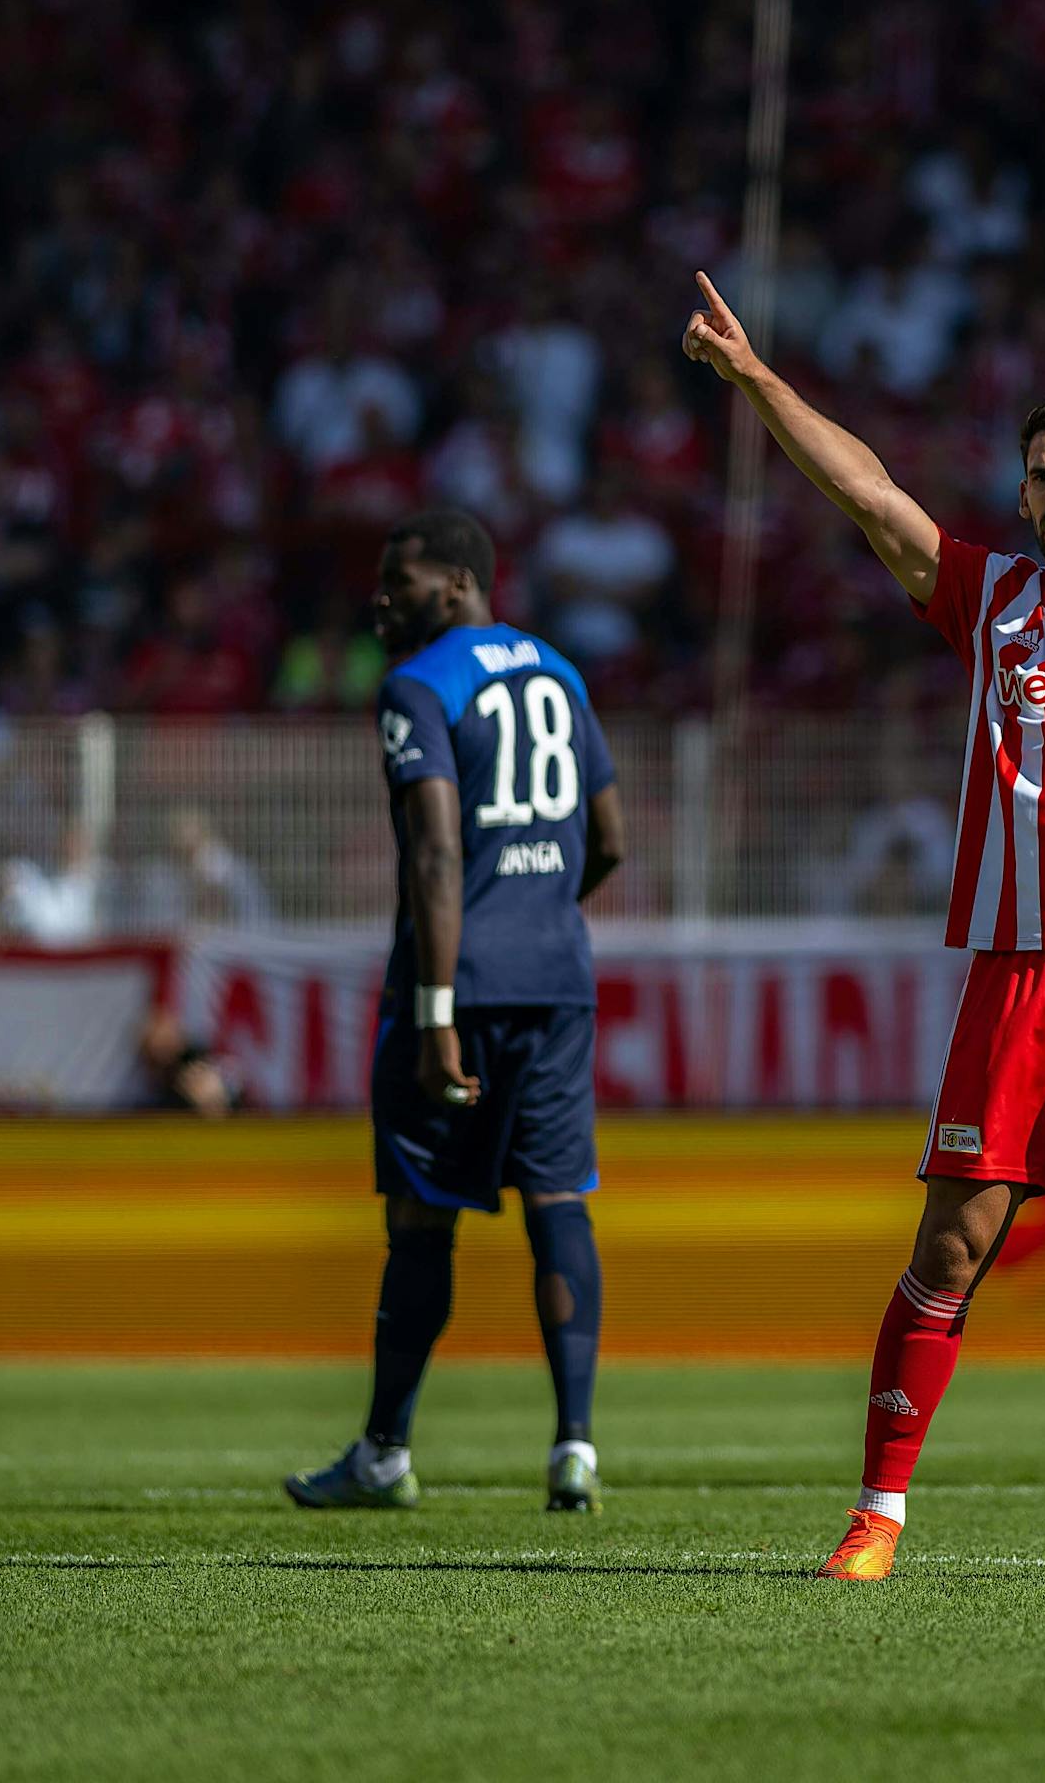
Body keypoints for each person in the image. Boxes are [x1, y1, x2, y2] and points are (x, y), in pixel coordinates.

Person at [684, 268, 1045, 1585]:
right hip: (1015, 977)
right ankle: (877, 1516)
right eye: (1040, 476)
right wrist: (755, 376)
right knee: (950, 1245)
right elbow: (869, 495)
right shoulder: (983, 598)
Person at [285, 509, 626, 1514]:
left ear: (463, 583)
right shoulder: (561, 671)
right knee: (558, 1201)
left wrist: (434, 1008)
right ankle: (574, 1444)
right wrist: (538, 907)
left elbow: (433, 854)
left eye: (404, 579)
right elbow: (607, 837)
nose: (382, 598)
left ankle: (384, 1452)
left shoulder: (418, 685)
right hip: (557, 976)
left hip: (457, 981)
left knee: (421, 1213)